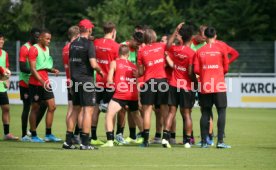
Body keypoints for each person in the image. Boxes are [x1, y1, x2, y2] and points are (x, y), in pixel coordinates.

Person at [63, 19, 103, 150]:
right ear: (89, 29)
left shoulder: (72, 44)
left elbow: (70, 63)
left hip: (74, 79)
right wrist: (100, 70)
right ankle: (85, 143)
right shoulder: (89, 44)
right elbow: (93, 64)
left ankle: (68, 142)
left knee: (75, 109)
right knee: (88, 110)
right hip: (86, 80)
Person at [194, 27, 231, 149]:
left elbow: (196, 70)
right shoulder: (221, 49)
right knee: (221, 112)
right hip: (219, 85)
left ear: (204, 36)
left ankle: (204, 142)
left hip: (205, 85)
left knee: (205, 113)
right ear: (215, 35)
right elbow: (226, 68)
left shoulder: (199, 51)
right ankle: (220, 142)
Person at [162, 23, 196, 149]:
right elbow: (190, 72)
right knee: (187, 114)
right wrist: (196, 83)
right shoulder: (192, 53)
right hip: (186, 86)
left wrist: (175, 30)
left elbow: (167, 45)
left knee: (171, 112)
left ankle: (165, 138)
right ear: (191, 37)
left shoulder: (175, 49)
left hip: (173, 84)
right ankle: (187, 141)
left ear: (181, 36)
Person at [101, 45, 143, 147]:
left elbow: (109, 79)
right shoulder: (133, 66)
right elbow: (137, 83)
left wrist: (111, 84)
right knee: (136, 116)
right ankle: (145, 136)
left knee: (109, 115)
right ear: (128, 54)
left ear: (118, 53)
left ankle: (110, 140)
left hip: (120, 94)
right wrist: (139, 99)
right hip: (132, 95)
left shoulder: (114, 63)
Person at [28, 29, 61, 143]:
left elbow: (43, 65)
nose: (49, 41)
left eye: (50, 39)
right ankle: (33, 135)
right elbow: (33, 69)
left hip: (45, 82)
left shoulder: (46, 49)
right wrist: (41, 81)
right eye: (47, 39)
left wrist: (52, 69)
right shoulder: (33, 49)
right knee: (35, 108)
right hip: (35, 84)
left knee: (52, 107)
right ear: (40, 38)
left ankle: (48, 134)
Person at [137, 28, 168, 147]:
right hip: (162, 81)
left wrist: (137, 73)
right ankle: (165, 138)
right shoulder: (161, 46)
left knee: (147, 112)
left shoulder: (141, 51)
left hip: (149, 82)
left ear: (145, 38)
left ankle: (145, 141)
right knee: (165, 111)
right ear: (154, 37)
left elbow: (140, 72)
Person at [91, 22, 120, 145]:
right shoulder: (116, 46)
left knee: (96, 109)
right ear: (113, 30)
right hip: (110, 82)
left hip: (98, 80)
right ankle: (110, 138)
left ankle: (93, 137)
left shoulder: (96, 42)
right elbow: (117, 65)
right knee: (111, 111)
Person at [19, 28, 48, 142]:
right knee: (27, 107)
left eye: (39, 36)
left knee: (44, 104)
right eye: (35, 36)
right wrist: (35, 71)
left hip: (36, 82)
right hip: (25, 82)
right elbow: (22, 67)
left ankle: (32, 131)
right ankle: (23, 135)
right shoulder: (25, 48)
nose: (37, 38)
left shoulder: (39, 48)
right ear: (31, 35)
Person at [62, 25, 81, 144]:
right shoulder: (76, 47)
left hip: (69, 80)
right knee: (80, 109)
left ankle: (69, 135)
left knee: (71, 109)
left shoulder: (65, 47)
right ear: (78, 35)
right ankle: (76, 135)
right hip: (77, 80)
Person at [0, 32, 18, 140]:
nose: (2, 41)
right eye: (0, 39)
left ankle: (7, 134)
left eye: (2, 39)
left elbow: (6, 68)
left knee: (6, 108)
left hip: (1, 85)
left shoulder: (4, 53)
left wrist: (7, 80)